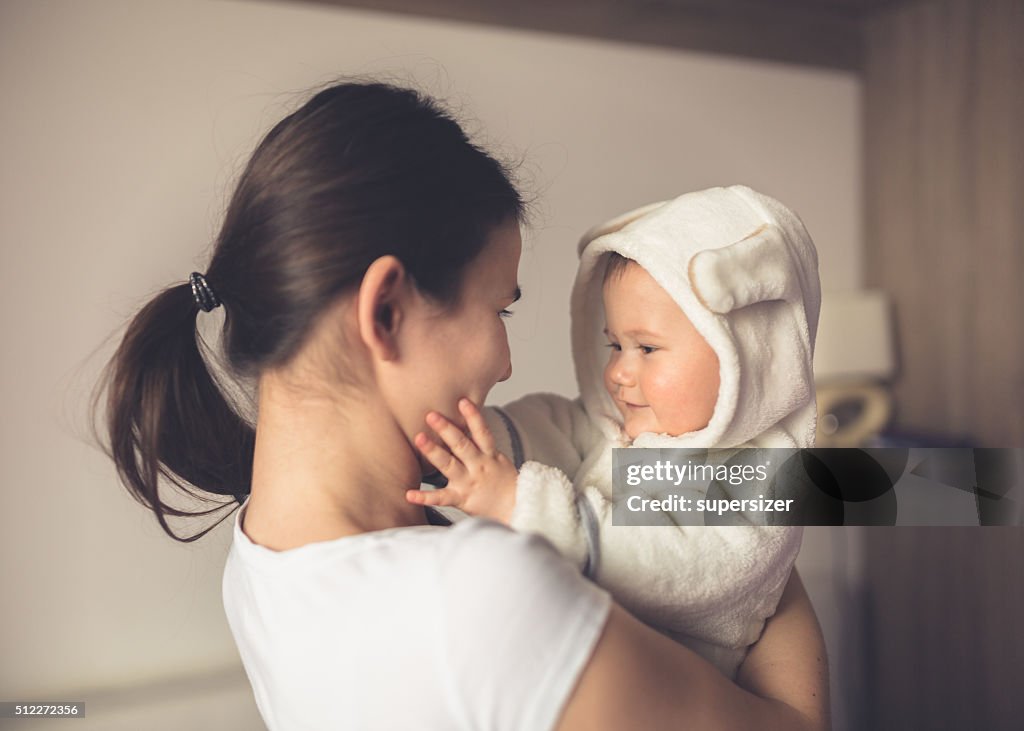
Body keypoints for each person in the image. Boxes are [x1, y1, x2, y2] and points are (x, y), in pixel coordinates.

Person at [96, 81, 829, 730]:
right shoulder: (480, 598)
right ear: (385, 310)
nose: (506, 363)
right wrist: (764, 540)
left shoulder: (259, 555)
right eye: (499, 311)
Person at [407, 185, 821, 679]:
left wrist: (522, 505)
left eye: (646, 349)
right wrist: (464, 446)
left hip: (672, 692)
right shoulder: (616, 430)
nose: (619, 373)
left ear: (747, 356)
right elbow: (550, 427)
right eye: (614, 346)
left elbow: (677, 571)